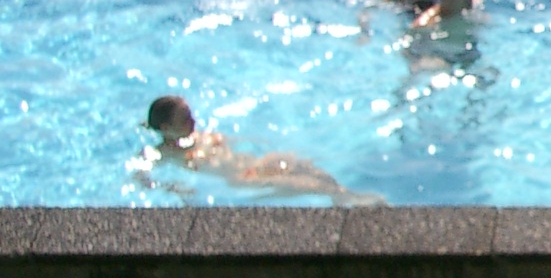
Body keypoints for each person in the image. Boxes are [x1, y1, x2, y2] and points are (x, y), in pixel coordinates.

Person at [142, 95, 382, 205]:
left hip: (256, 163)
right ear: (166, 128)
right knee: (311, 186)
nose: (193, 121)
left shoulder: (199, 136)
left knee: (306, 167)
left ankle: (345, 195)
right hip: (242, 178)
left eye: (191, 115)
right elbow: (140, 177)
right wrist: (172, 188)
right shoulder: (163, 153)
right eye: (185, 120)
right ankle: (348, 202)